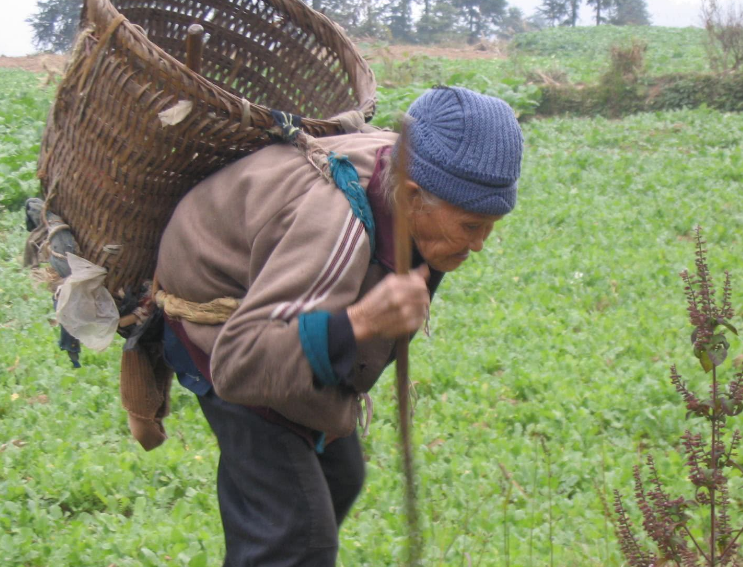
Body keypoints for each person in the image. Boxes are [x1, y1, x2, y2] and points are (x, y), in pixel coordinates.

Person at [155, 86, 524, 566]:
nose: (479, 245)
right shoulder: (337, 225)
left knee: (339, 478)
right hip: (225, 323)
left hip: (285, 309)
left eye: (490, 227)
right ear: (413, 198)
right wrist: (363, 320)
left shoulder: (421, 180)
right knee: (296, 535)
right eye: (472, 227)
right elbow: (239, 364)